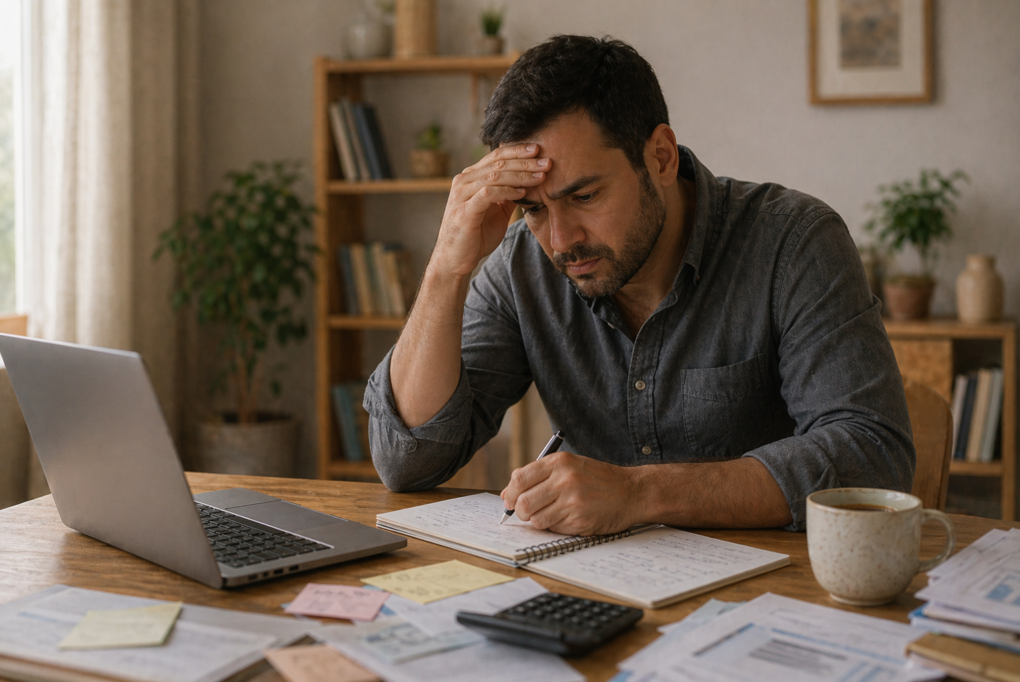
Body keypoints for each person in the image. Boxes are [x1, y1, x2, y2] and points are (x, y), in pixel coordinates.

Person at [363, 35, 914, 535]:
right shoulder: (521, 265)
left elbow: (871, 455)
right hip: (596, 595)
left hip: (774, 595)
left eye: (584, 197)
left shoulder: (793, 243)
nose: (560, 240)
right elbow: (407, 461)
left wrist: (640, 493)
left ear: (661, 157)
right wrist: (445, 270)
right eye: (532, 209)